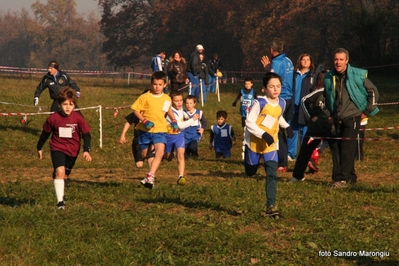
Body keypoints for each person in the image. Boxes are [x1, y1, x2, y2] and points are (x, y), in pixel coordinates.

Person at [324, 48, 379, 188]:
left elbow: (373, 92)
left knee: (348, 149)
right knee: (341, 148)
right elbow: (325, 98)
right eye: (336, 59)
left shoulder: (358, 75)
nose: (338, 62)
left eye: (341, 59)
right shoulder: (329, 77)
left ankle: (341, 179)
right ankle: (351, 177)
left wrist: (367, 112)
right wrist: (329, 115)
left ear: (347, 61)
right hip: (337, 118)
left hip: (353, 117)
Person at [244, 72, 293, 217]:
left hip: (271, 145)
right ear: (265, 89)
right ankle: (250, 164)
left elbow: (277, 117)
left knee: (271, 173)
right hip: (254, 142)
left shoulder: (282, 103)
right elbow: (249, 122)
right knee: (251, 171)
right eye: (272, 86)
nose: (275, 89)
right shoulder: (260, 103)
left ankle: (270, 205)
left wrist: (286, 126)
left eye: (278, 86)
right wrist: (263, 134)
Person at [36, 87, 92, 209]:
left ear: (74, 105)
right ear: (59, 104)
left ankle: (58, 179)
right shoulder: (53, 118)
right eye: (65, 104)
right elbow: (45, 134)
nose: (68, 107)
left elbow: (86, 135)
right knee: (60, 172)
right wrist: (39, 147)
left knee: (64, 175)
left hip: (73, 151)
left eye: (71, 105)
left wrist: (86, 150)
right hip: (57, 147)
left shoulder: (78, 118)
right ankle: (60, 202)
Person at [289, 71, 340, 182]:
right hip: (315, 128)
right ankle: (297, 176)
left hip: (331, 129)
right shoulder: (319, 92)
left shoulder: (338, 93)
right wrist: (311, 116)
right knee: (305, 151)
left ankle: (338, 178)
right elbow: (303, 101)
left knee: (337, 152)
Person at [131, 71, 179, 189]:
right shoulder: (145, 97)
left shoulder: (167, 98)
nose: (157, 87)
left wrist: (174, 120)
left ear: (165, 85)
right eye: (155, 84)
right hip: (144, 131)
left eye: (160, 85)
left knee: (160, 151)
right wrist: (144, 120)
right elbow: (135, 110)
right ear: (151, 84)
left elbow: (168, 110)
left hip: (160, 129)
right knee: (145, 154)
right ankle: (150, 177)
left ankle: (150, 175)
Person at [260, 38, 294, 172]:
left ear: (271, 50)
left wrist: (268, 70)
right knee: (281, 130)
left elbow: (272, 80)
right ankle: (278, 159)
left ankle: (281, 162)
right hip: (290, 98)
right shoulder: (289, 61)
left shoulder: (276, 62)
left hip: (281, 99)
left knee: (278, 131)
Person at [164, 91, 200, 185]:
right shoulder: (169, 112)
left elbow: (182, 113)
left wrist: (186, 115)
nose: (179, 103)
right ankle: (164, 153)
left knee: (181, 155)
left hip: (179, 136)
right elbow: (180, 126)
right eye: (176, 101)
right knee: (168, 157)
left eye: (180, 100)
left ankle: (181, 177)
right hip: (169, 136)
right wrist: (193, 119)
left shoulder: (180, 108)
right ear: (171, 102)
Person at [287, 54, 316, 161]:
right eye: (303, 59)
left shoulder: (313, 76)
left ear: (311, 62)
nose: (305, 61)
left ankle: (305, 154)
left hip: (306, 107)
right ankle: (291, 154)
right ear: (299, 61)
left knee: (305, 131)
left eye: (308, 59)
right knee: (292, 130)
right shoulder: (293, 75)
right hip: (293, 106)